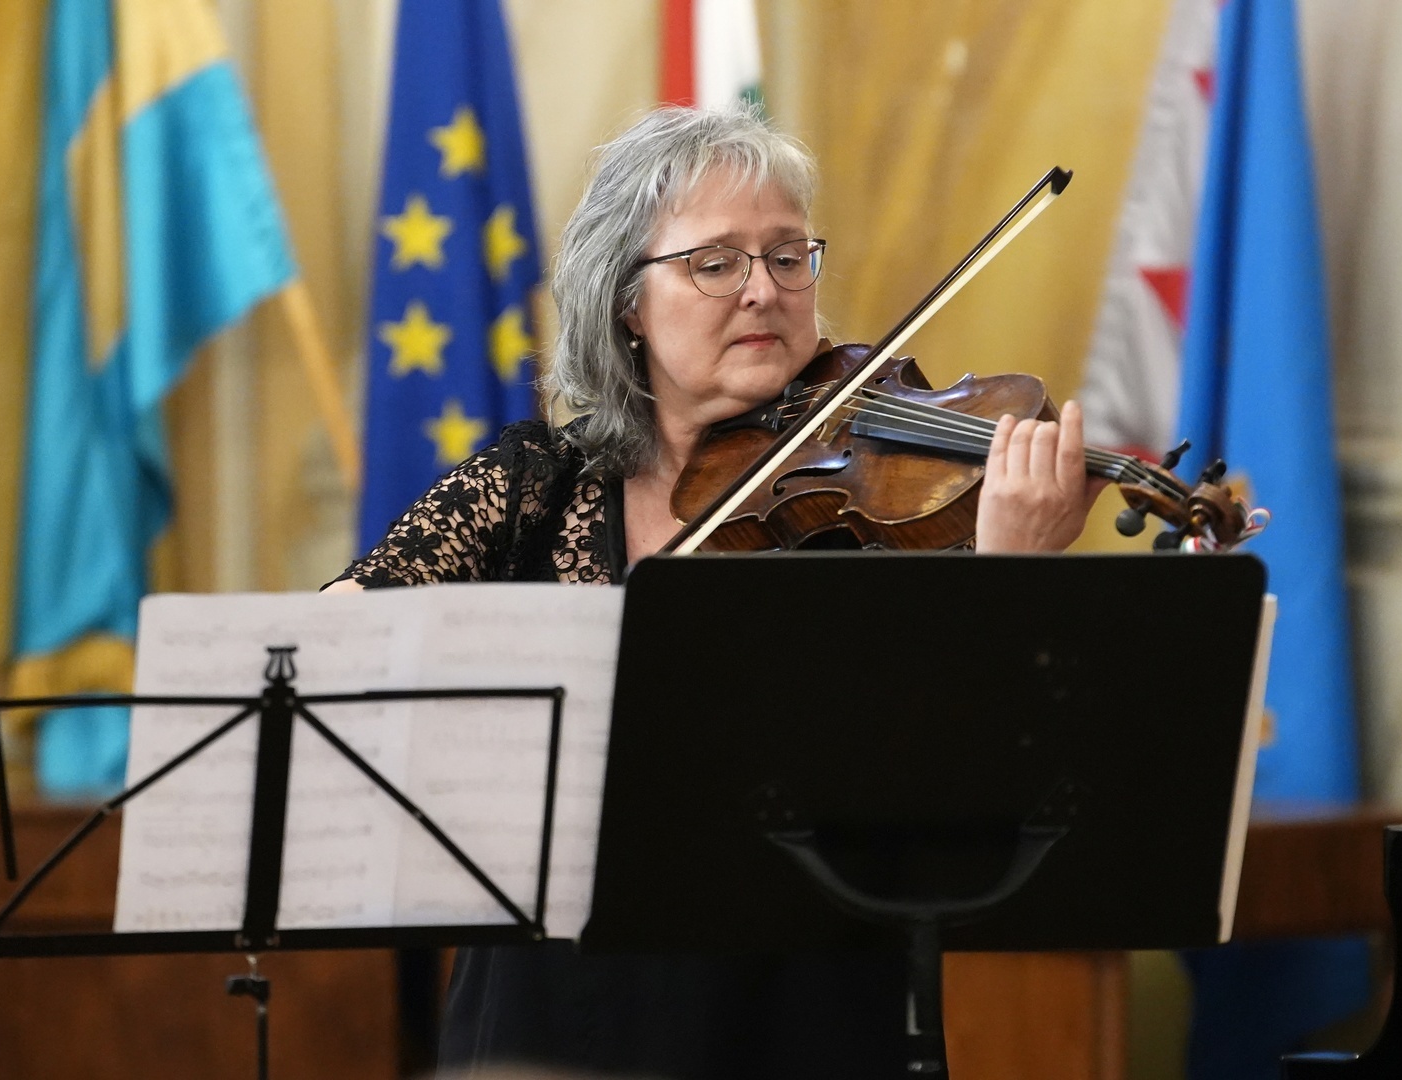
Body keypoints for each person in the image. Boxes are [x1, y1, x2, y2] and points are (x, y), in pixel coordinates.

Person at [327, 104, 1101, 1079]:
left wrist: (1010, 576)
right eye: (715, 262)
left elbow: (981, 789)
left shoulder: (881, 499)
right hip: (560, 1016)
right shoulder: (535, 486)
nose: (763, 290)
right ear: (627, 301)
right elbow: (338, 644)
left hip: (812, 1016)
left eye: (788, 256)